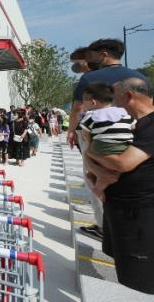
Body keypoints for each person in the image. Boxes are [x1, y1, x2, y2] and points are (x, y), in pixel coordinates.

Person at [67, 38, 146, 238]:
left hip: (96, 134)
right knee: (128, 177)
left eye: (91, 55)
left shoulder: (90, 78)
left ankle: (102, 226)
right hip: (131, 133)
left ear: (103, 54)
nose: (88, 59)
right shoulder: (139, 76)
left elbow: (77, 108)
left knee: (94, 175)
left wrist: (72, 131)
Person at [85, 78, 154, 294]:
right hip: (121, 210)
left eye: (115, 98)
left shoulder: (151, 125)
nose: (112, 104)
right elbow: (98, 161)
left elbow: (122, 163)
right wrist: (96, 165)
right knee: (124, 270)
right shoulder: (130, 123)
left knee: (139, 281)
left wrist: (90, 152)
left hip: (139, 218)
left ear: (129, 96)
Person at [80, 83, 134, 198]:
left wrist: (90, 143)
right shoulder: (124, 112)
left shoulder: (90, 115)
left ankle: (96, 183)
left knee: (97, 162)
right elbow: (133, 128)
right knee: (116, 169)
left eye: (84, 104)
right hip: (124, 147)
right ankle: (99, 185)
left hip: (101, 146)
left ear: (93, 102)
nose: (83, 107)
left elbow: (85, 133)